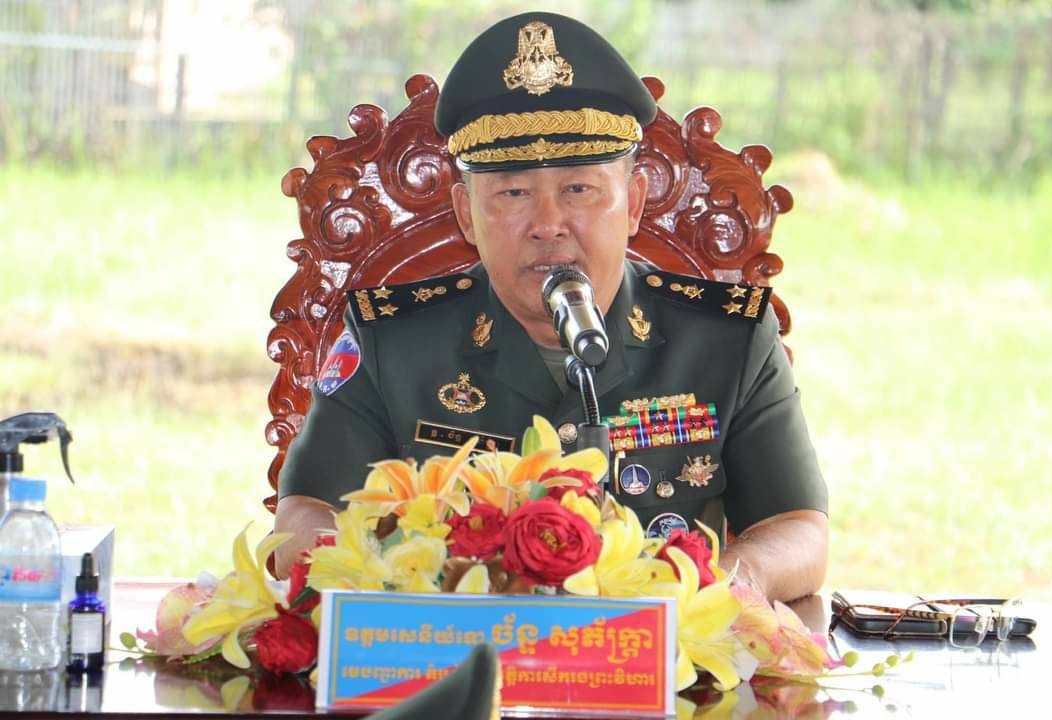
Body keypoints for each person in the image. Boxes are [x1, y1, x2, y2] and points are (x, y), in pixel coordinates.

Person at [273, 11, 828, 603]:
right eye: (513, 192)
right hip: (453, 644)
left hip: (658, 652)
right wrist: (399, 580)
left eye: (579, 190)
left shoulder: (728, 337)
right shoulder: (390, 339)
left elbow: (798, 527)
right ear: (465, 215)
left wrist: (723, 587)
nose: (547, 225)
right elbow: (304, 514)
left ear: (634, 203)